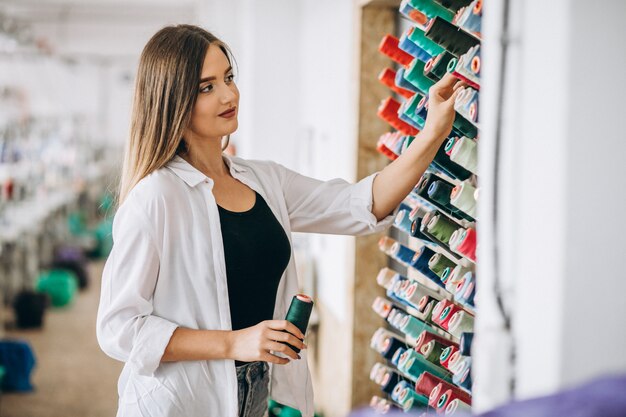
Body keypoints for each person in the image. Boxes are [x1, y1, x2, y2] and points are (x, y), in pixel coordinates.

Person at [96, 24, 462, 417]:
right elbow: (118, 328)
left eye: (229, 78)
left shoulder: (264, 179)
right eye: (207, 87)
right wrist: (234, 343)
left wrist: (433, 133)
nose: (228, 94)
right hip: (181, 400)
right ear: (171, 100)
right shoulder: (156, 196)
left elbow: (361, 204)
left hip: (255, 388)